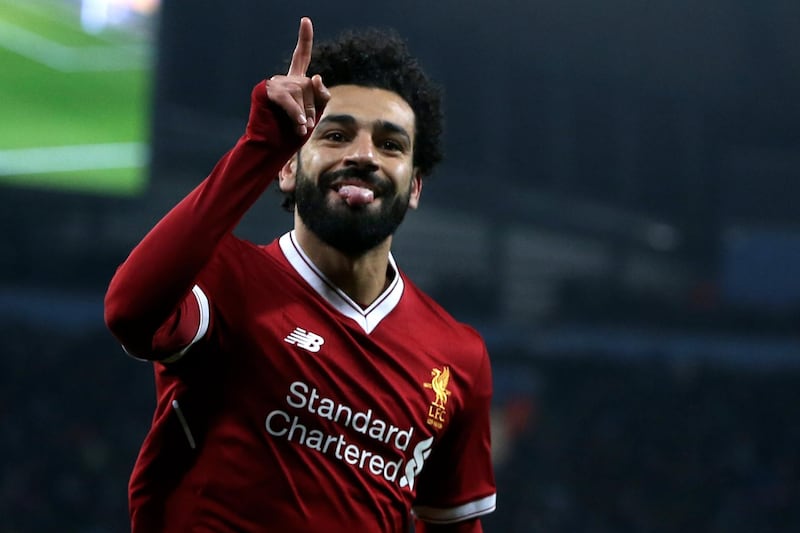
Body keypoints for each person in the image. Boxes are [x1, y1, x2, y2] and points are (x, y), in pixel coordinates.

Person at [104, 17, 496, 533]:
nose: (363, 156)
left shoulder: (457, 356)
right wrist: (259, 146)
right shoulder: (226, 278)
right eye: (335, 135)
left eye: (391, 145)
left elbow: (450, 523)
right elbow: (130, 313)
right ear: (289, 167)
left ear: (415, 186)